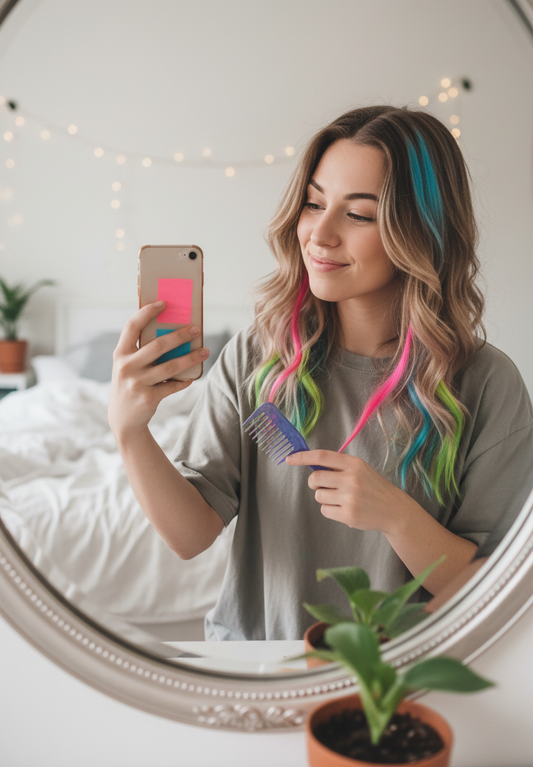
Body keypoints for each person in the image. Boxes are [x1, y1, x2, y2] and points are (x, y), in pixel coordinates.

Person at [109, 105, 533, 641]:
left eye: (358, 215)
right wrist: (130, 432)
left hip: (391, 679)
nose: (319, 234)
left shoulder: (488, 386)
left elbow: (496, 589)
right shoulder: (256, 355)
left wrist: (397, 517)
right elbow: (190, 536)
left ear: (422, 231)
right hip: (254, 667)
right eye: (313, 204)